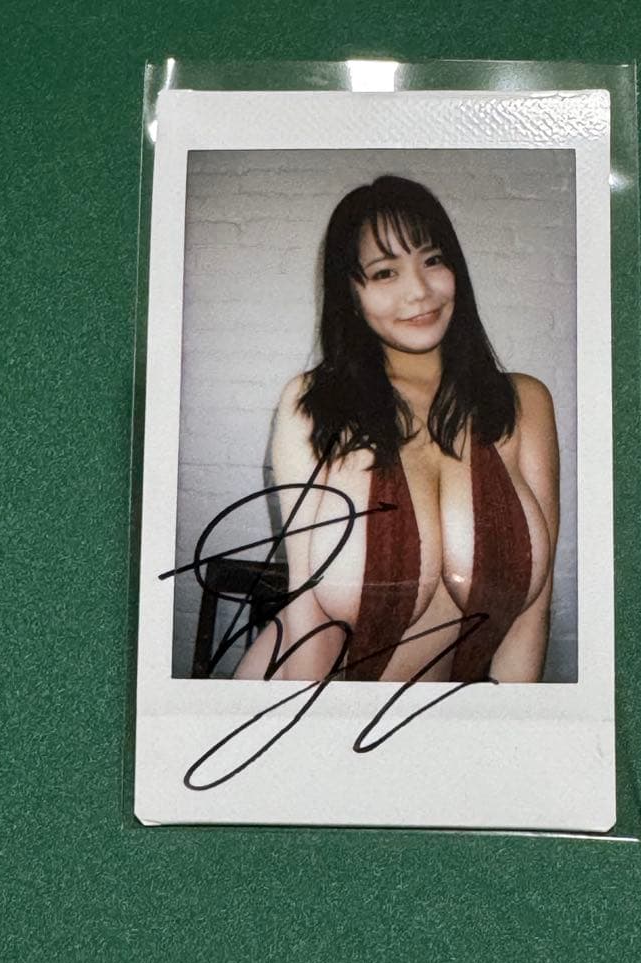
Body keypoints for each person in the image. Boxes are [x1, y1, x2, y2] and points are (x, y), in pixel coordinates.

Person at [234, 175, 559, 684]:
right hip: (310, 694)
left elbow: (531, 614)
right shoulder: (315, 405)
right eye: (385, 272)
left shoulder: (525, 403)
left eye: (433, 260)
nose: (419, 292)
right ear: (351, 294)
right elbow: (307, 613)